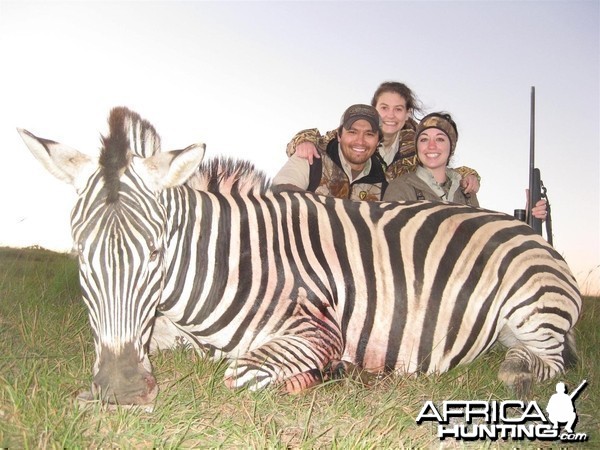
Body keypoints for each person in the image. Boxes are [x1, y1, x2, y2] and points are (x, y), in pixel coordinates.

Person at [286, 81, 481, 194]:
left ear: (407, 114)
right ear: (374, 110)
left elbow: (438, 166)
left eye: (398, 110)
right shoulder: (359, 138)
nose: (390, 116)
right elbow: (321, 140)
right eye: (384, 108)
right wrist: (303, 141)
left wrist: (467, 173)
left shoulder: (415, 146)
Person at [383, 112, 548, 220]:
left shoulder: (466, 191)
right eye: (424, 139)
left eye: (440, 139)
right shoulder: (400, 188)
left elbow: (479, 239)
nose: (431, 146)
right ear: (417, 146)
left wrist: (529, 218)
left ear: (451, 147)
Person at [272, 104, 387, 201]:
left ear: (378, 142)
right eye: (352, 132)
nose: (360, 141)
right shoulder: (311, 158)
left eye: (369, 134)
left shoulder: (384, 181)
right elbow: (279, 194)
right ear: (339, 136)